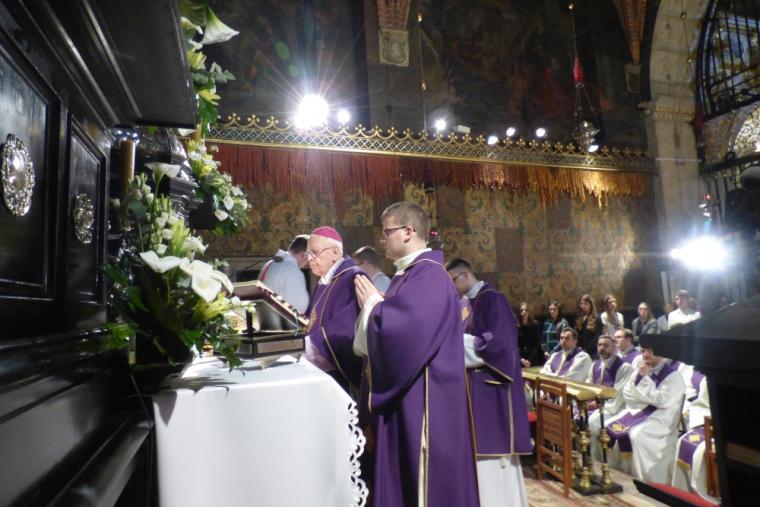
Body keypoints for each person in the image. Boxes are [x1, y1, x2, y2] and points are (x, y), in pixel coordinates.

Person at [353, 202, 478, 507]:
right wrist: (379, 308)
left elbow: (406, 334)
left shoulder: (428, 276)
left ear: (408, 232)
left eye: (387, 232)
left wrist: (373, 305)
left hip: (426, 404)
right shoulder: (409, 275)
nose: (382, 239)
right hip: (410, 397)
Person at [446, 258, 530, 507]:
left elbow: (499, 347)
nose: (451, 288)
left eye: (451, 281)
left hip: (492, 392)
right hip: (472, 391)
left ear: (464, 275)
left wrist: (453, 342)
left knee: (493, 461)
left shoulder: (493, 299)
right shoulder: (464, 303)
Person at [605, 347, 686, 482]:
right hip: (637, 411)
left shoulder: (674, 376)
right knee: (608, 427)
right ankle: (618, 475)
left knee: (636, 436)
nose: (645, 355)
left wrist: (643, 380)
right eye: (643, 351)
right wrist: (646, 396)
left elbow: (661, 401)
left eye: (650, 351)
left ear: (661, 353)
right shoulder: (640, 370)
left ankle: (640, 480)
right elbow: (628, 394)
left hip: (661, 418)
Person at [302, 226, 364, 392]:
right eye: (308, 253)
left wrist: (305, 347)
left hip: (339, 375)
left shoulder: (352, 277)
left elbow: (345, 328)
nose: (309, 259)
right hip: (317, 372)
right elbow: (311, 319)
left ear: (335, 252)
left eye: (315, 252)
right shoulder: (324, 281)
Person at [587, 335, 633, 460]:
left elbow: (619, 394)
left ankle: (595, 459)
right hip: (596, 404)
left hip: (614, 408)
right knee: (575, 415)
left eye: (606, 345)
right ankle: (582, 454)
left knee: (592, 422)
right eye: (599, 345)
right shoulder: (595, 365)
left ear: (615, 347)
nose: (602, 348)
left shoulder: (624, 367)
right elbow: (589, 385)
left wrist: (600, 404)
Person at [671, 376, 716, 501]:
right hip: (712, 421)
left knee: (702, 452)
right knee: (684, 441)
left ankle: (709, 499)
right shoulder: (712, 377)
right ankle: (683, 499)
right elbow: (703, 405)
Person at [257, 234, 309, 313]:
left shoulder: (270, 264)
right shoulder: (292, 271)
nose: (309, 261)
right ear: (303, 254)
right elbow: (298, 308)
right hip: (280, 319)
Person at [517, 301, 543, 367]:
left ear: (529, 312)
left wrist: (529, 360)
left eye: (526, 310)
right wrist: (521, 358)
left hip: (533, 358)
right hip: (521, 358)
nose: (524, 312)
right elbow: (515, 344)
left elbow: (537, 344)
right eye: (522, 310)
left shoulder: (535, 325)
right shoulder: (516, 326)